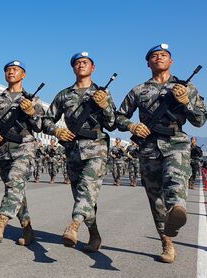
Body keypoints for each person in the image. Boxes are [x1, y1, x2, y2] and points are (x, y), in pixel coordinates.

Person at [116, 44, 206, 263]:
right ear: (148, 63)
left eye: (163, 55)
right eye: (154, 56)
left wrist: (186, 102)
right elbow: (118, 118)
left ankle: (178, 208)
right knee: (155, 198)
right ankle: (167, 241)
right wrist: (132, 127)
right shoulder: (138, 90)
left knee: (175, 179)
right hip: (148, 146)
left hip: (176, 142)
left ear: (171, 61)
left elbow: (200, 119)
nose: (158, 58)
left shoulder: (187, 88)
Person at [43, 52, 116, 253]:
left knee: (86, 187)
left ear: (93, 68)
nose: (81, 65)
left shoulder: (103, 94)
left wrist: (105, 106)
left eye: (85, 62)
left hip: (96, 148)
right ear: (73, 68)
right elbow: (46, 120)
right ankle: (94, 235)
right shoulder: (64, 95)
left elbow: (112, 123)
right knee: (83, 196)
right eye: (77, 63)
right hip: (73, 150)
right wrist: (57, 130)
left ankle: (73, 226)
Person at [0, 60, 44, 246]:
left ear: (23, 74)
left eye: (15, 69)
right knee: (15, 189)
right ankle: (27, 229)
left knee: (14, 182)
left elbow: (40, 125)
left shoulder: (32, 99)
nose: (11, 72)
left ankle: (0, 222)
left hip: (24, 148)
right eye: (8, 69)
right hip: (3, 150)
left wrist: (31, 112)